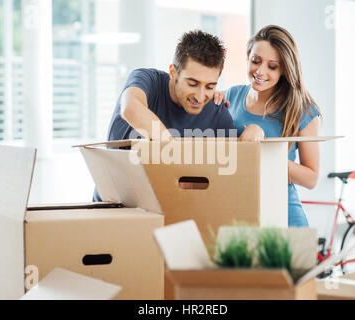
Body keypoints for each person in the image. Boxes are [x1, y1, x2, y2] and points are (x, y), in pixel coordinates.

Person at [93, 30, 262, 202]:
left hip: (171, 214)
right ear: (173, 72)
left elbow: (234, 173)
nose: (200, 95)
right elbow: (131, 108)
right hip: (113, 207)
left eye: (210, 86)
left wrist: (255, 131)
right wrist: (174, 153)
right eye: (192, 84)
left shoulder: (216, 111)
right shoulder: (148, 81)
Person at [214, 25, 321, 227]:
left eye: (272, 66)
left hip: (283, 212)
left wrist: (263, 149)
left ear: (284, 70)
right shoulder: (231, 96)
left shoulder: (301, 109)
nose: (260, 71)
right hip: (238, 209)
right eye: (255, 61)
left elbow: (311, 178)